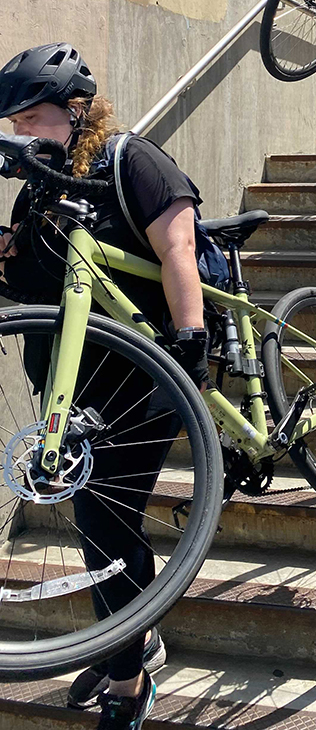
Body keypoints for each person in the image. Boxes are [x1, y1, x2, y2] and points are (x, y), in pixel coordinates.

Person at [0, 43, 211, 730]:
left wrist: (189, 343)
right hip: (72, 389)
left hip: (140, 376)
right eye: (14, 123)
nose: (22, 133)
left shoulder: (127, 161)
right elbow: (33, 286)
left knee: (100, 519)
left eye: (33, 119)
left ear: (77, 110)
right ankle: (132, 635)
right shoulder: (41, 192)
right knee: (101, 518)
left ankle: (127, 681)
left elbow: (179, 244)